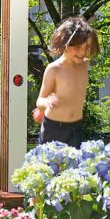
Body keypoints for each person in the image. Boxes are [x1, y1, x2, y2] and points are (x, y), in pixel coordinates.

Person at [36, 16, 100, 149]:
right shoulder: (54, 69)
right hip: (53, 128)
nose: (82, 52)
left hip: (76, 128)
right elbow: (39, 101)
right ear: (64, 43)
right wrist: (47, 102)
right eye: (77, 47)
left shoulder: (84, 64)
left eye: (87, 46)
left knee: (76, 167)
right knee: (49, 167)